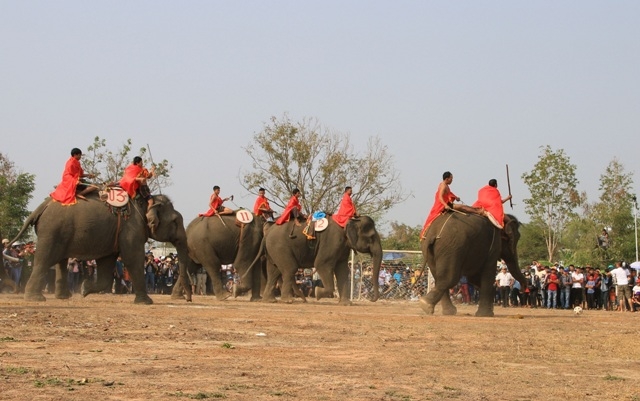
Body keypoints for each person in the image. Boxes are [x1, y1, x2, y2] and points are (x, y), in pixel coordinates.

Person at [420, 171, 484, 239]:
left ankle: (477, 210)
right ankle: (478, 212)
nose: (452, 180)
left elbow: (449, 193)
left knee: (462, 206)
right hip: (441, 205)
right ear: (447, 179)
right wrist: (445, 205)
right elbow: (440, 197)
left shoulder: (446, 185)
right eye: (451, 178)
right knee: (462, 207)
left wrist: (456, 197)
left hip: (447, 203)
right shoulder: (443, 186)